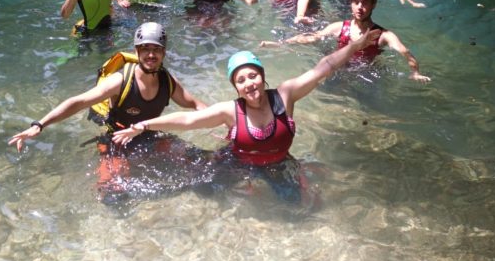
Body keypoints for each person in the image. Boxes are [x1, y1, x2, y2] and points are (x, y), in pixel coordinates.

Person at [111, 32, 381, 163]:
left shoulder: (285, 96)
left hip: (279, 165)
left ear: (262, 77)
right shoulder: (230, 111)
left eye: (253, 76)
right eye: (241, 80)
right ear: (236, 87)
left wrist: (356, 45)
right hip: (237, 166)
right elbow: (188, 120)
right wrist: (143, 126)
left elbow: (324, 67)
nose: (249, 84)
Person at [8, 22, 206, 152]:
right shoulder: (120, 81)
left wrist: (228, 124)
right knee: (113, 196)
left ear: (164, 53)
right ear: (137, 51)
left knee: (197, 158)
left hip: (148, 134)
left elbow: (196, 104)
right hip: (116, 138)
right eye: (145, 49)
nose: (151, 55)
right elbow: (78, 102)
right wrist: (39, 125)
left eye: (156, 50)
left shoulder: (167, 81)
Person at [261, 0, 430, 81]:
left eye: (365, 3)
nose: (360, 7)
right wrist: (279, 44)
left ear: (373, 5)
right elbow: (311, 37)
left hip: (364, 73)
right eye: (356, 2)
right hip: (338, 70)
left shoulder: (384, 35)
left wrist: (415, 72)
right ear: (350, 4)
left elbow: (405, 52)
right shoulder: (339, 27)